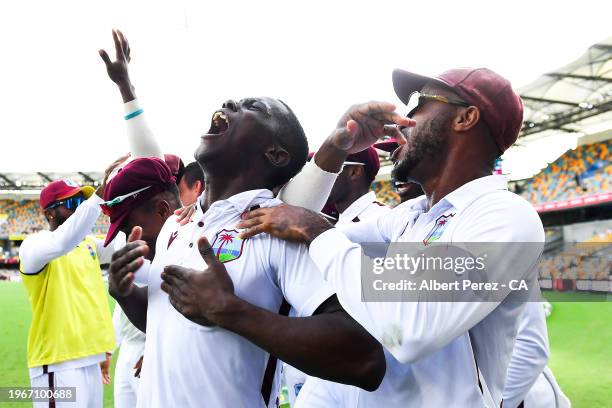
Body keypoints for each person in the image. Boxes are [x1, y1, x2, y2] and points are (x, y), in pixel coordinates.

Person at [237, 67, 546, 407]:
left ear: (466, 117)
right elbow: (283, 228)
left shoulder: (504, 216)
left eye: (419, 104)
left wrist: (315, 230)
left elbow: (413, 331)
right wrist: (336, 145)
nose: (403, 121)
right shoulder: (410, 216)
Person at [105, 91, 415, 407]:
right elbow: (166, 322)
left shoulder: (273, 228)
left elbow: (365, 360)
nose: (228, 103)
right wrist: (125, 293)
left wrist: (229, 310)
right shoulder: (177, 224)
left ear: (276, 155)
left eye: (252, 107)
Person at [18, 176, 118, 408]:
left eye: (81, 202)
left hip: (92, 360)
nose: (79, 208)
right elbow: (61, 242)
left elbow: (125, 241)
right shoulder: (34, 245)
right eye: (72, 204)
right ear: (49, 214)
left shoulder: (89, 244)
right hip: (56, 363)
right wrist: (98, 199)